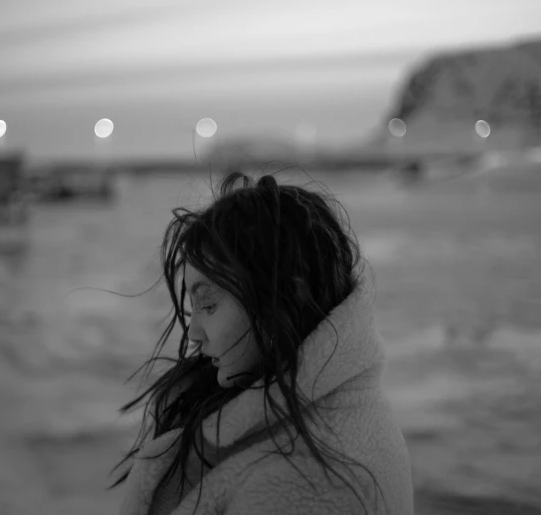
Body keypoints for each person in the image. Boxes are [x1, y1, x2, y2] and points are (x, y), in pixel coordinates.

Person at [110, 171, 413, 515]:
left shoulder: (304, 488)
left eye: (208, 304)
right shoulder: (345, 410)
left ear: (281, 299)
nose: (193, 333)